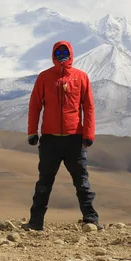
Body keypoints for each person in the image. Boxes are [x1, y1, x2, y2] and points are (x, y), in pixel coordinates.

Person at [23, 40, 101, 231]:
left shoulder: (81, 77)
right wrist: (32, 132)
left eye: (65, 52)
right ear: (53, 55)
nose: (62, 56)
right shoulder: (44, 77)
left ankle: (91, 219)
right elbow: (35, 105)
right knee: (44, 182)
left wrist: (88, 133)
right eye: (58, 53)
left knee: (82, 181)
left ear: (71, 54)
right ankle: (35, 222)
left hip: (74, 138)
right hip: (50, 139)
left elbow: (88, 107)